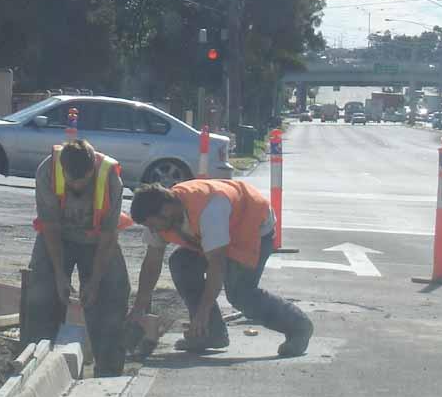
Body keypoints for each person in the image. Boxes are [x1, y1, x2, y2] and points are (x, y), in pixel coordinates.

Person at [126, 179, 314, 357]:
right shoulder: (164, 214)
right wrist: (139, 308)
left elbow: (217, 265)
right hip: (217, 235)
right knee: (182, 264)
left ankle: (298, 327)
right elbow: (151, 263)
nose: (151, 230)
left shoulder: (210, 210)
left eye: (152, 225)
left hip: (251, 228)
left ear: (166, 210)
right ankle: (211, 334)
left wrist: (202, 313)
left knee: (241, 293)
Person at [26, 139, 131, 376]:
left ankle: (109, 370)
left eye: (81, 181)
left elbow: (108, 235)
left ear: (92, 171)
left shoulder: (111, 178)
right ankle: (36, 364)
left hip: (97, 241)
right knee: (42, 291)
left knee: (111, 295)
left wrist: (94, 282)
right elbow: (50, 226)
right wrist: (59, 275)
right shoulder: (47, 172)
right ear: (63, 170)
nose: (75, 185)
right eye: (70, 179)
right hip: (57, 237)